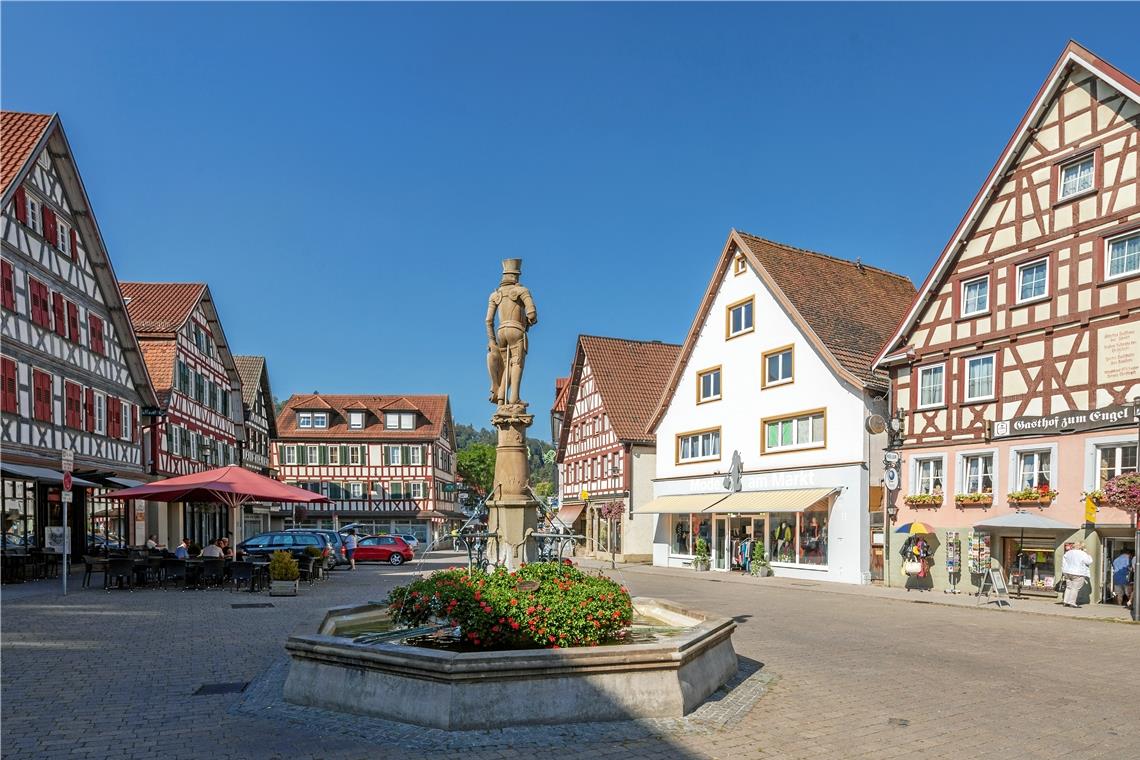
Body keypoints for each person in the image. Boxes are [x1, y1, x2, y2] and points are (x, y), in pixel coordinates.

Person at [1060, 541, 1093, 608]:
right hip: (1078, 573)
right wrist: (1087, 554)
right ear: (1082, 547)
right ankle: (1072, 602)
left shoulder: (1068, 553)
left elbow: (1063, 563)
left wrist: (1064, 571)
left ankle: (1065, 601)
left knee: (1069, 587)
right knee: (1075, 588)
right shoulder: (1082, 553)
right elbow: (1089, 561)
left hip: (1067, 572)